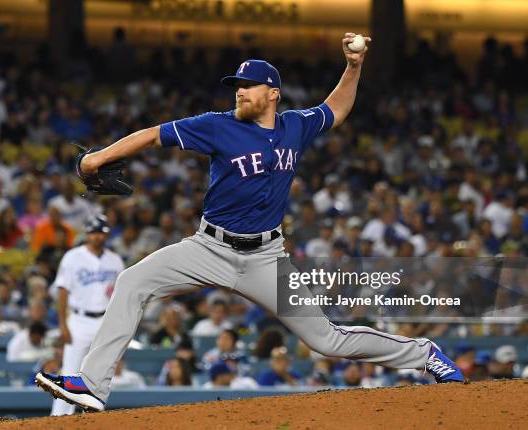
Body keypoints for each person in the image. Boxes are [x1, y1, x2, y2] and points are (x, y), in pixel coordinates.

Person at [36, 35, 464, 412]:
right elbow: (153, 134)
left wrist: (353, 67)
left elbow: (335, 109)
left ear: (272, 93)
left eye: (246, 86)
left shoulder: (295, 126)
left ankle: (423, 354)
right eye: (235, 86)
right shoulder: (216, 126)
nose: (238, 92)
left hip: (266, 258)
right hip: (208, 249)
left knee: (327, 340)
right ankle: (92, 385)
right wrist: (98, 157)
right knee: (132, 282)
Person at [49, 214, 125, 416]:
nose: (98, 237)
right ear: (87, 234)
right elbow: (62, 291)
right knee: (70, 371)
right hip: (79, 320)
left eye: (101, 233)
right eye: (94, 233)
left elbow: (120, 293)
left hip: (104, 320)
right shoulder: (72, 257)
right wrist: (63, 324)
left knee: (100, 373)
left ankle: (92, 416)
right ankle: (59, 418)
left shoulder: (115, 260)